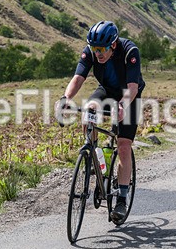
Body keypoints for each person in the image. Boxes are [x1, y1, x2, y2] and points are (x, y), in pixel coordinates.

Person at [56, 21, 145, 222]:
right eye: (95, 49)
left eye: (102, 49)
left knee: (123, 145)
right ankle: (93, 154)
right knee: (88, 111)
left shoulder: (130, 51)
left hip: (129, 95)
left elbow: (132, 87)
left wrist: (122, 106)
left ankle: (122, 199)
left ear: (113, 45)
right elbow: (79, 77)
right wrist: (65, 99)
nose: (98, 54)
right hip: (106, 90)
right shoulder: (90, 51)